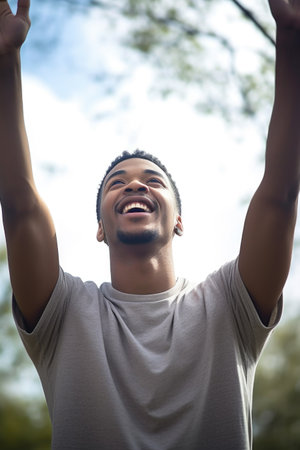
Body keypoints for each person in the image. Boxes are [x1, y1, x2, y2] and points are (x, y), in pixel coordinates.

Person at [0, 0, 299, 448]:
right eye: (117, 184)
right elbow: (20, 206)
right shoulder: (63, 313)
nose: (134, 186)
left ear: (178, 219)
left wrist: (292, 38)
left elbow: (279, 195)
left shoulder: (229, 305)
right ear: (99, 227)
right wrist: (6, 63)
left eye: (152, 181)